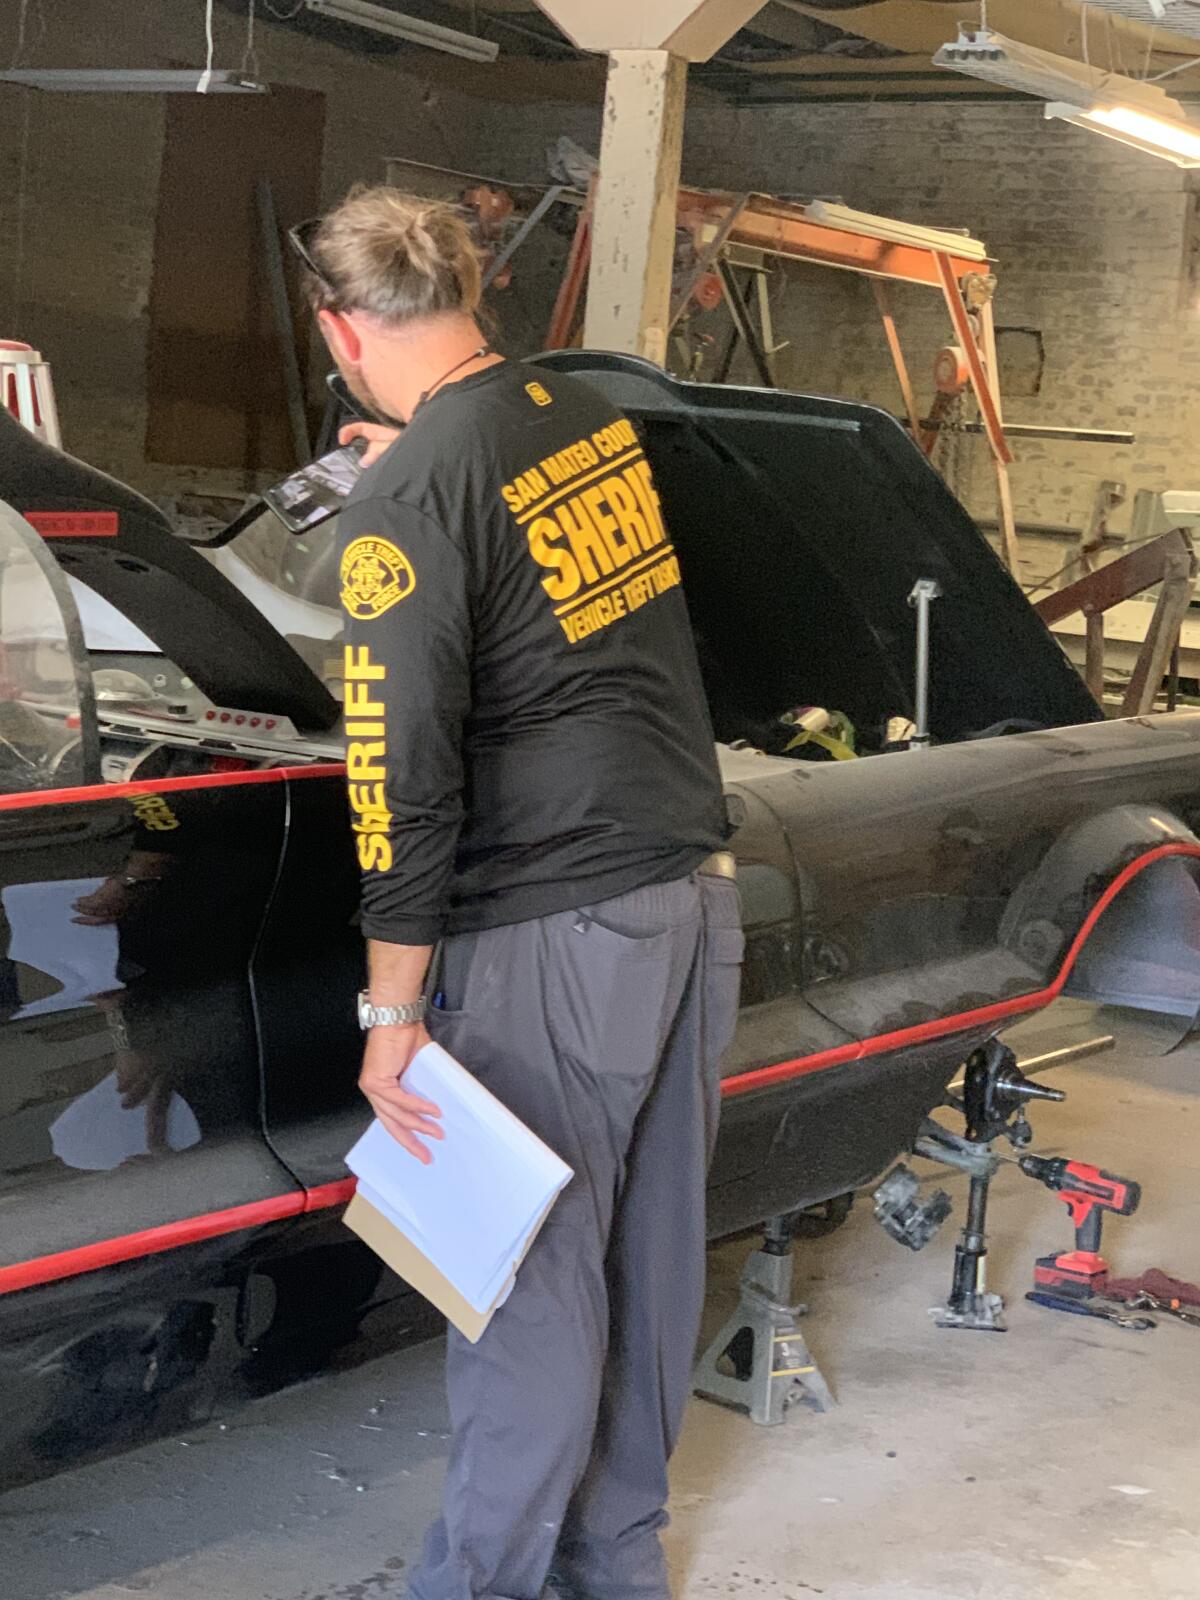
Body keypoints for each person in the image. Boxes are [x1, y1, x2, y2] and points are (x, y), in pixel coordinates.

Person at [292, 185, 744, 1600]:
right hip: (686, 891)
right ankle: (613, 1567)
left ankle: (476, 1583)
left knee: (520, 1271)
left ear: (340, 330)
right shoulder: (569, 415)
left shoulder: (415, 497)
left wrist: (392, 1008)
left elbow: (399, 780)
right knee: (648, 1254)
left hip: (554, 921)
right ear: (472, 295)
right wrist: (415, 488)